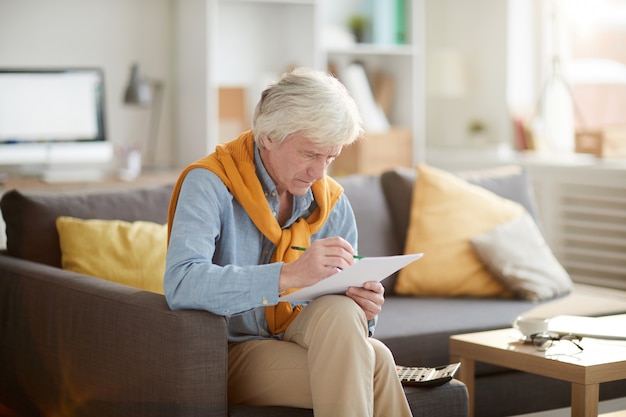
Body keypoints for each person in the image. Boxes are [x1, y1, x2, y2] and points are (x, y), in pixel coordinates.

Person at [164, 67, 413, 417]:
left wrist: (364, 305)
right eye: (310, 154)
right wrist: (288, 275)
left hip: (303, 335)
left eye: (330, 158)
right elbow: (182, 283)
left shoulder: (331, 200)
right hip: (229, 348)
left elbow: (343, 311)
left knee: (347, 316)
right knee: (377, 363)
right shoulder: (209, 184)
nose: (319, 173)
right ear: (268, 136)